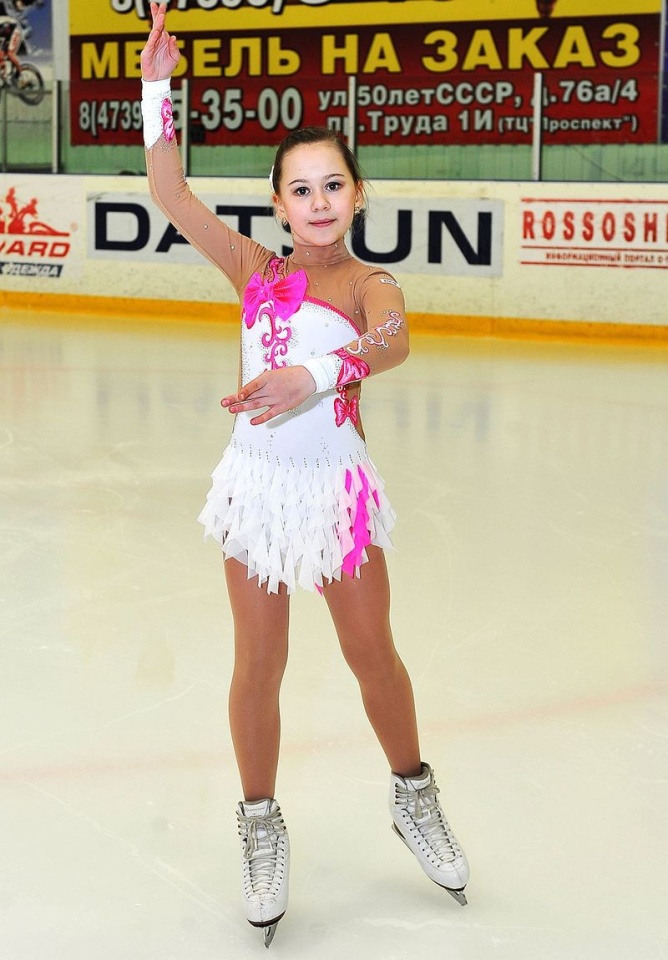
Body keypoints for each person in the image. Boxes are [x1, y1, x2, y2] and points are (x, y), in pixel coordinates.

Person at [140, 2, 469, 947]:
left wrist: (314, 374)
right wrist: (159, 89)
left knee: (373, 655)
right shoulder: (253, 270)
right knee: (259, 662)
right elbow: (169, 189)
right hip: (256, 492)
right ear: (278, 204)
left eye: (333, 185)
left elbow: (392, 341)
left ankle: (414, 795)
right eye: (300, 189)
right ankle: (260, 823)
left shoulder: (369, 284)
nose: (318, 202)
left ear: (357, 195)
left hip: (337, 494)